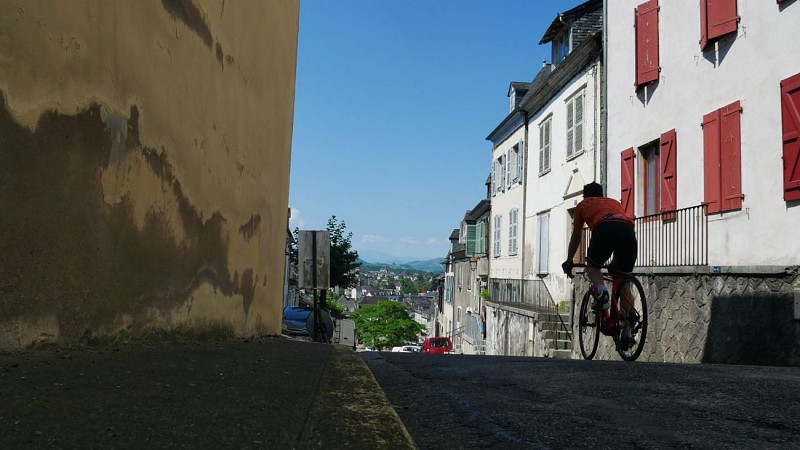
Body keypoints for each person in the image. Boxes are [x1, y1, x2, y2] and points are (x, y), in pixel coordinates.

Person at [562, 181, 637, 315]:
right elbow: (618, 228)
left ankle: (602, 292)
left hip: (604, 228)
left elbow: (576, 236)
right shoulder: (614, 202)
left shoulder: (583, 204)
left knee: (592, 268)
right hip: (628, 231)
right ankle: (628, 326)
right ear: (602, 195)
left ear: (585, 196)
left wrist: (569, 260)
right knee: (623, 278)